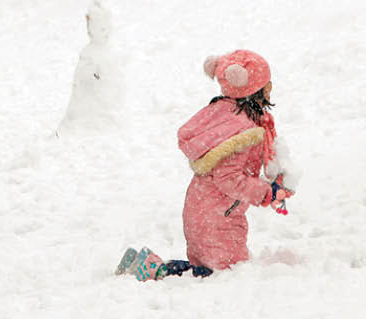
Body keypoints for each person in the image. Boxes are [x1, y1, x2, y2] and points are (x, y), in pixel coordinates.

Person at [116, 50, 293, 280]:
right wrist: (267, 193)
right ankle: (154, 269)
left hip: (204, 208)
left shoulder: (224, 114)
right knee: (222, 273)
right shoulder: (243, 130)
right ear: (252, 90)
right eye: (267, 85)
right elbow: (230, 178)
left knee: (209, 268)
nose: (270, 89)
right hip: (219, 216)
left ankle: (142, 262)